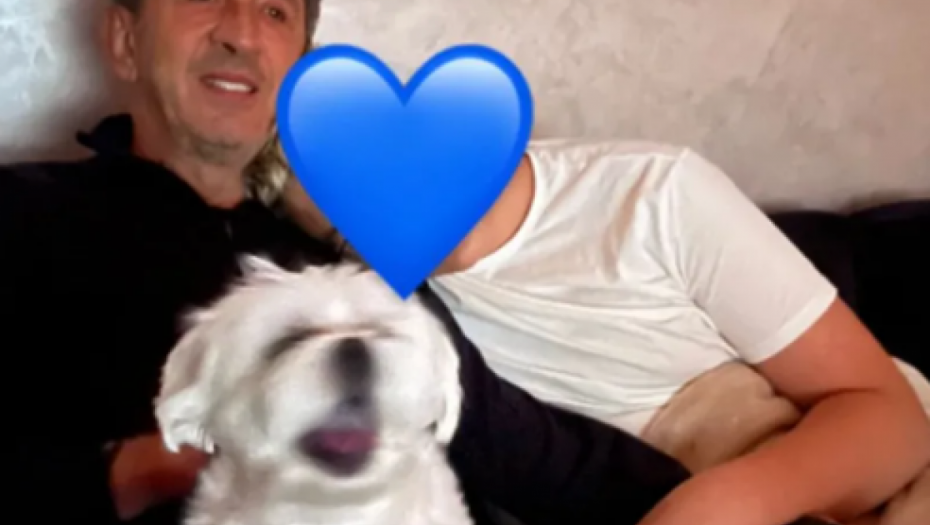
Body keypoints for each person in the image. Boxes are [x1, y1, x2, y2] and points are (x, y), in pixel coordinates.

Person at [0, 2, 694, 525]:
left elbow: (514, 442)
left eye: (276, 12)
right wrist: (136, 471)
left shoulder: (342, 257)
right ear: (125, 41)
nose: (242, 32)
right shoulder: (24, 212)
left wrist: (710, 492)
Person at [277, 116, 930, 523]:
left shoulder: (656, 192)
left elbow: (894, 421)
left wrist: (728, 503)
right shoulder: (418, 321)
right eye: (344, 229)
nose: (379, 220)